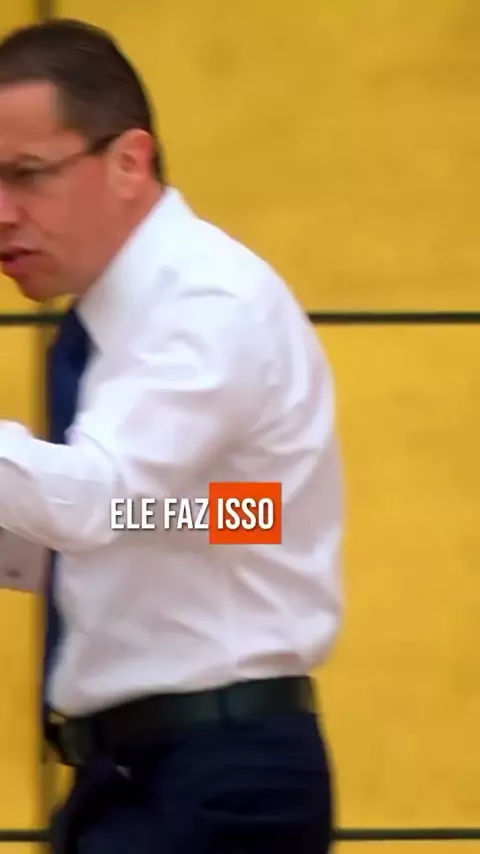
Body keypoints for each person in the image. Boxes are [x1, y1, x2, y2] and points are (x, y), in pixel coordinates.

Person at [0, 18, 344, 854]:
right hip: (144, 773)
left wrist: (91, 513)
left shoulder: (203, 304)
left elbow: (99, 501)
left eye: (27, 175)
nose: (2, 214)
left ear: (130, 161)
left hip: (213, 778)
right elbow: (194, 518)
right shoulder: (114, 323)